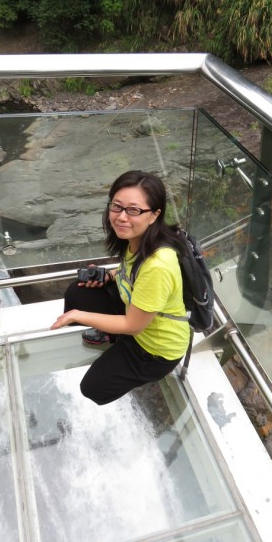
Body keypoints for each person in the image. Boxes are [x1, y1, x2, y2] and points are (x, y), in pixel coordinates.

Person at [51, 170, 191, 405]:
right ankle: (112, 335)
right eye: (117, 207)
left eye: (134, 210)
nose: (121, 217)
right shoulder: (140, 240)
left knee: (93, 389)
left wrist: (77, 315)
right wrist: (109, 276)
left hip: (155, 348)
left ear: (154, 214)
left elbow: (133, 326)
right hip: (136, 312)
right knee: (78, 292)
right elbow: (133, 271)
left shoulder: (159, 265)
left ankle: (125, 348)